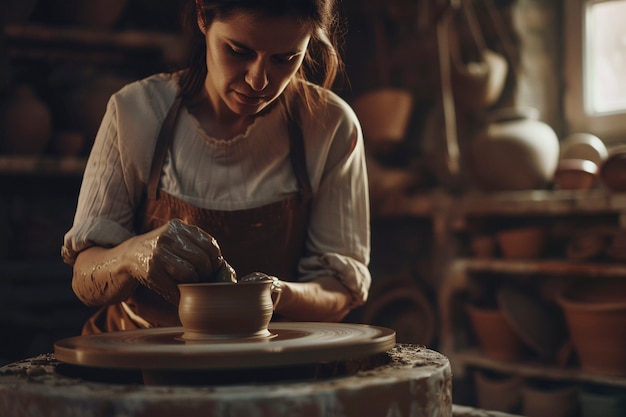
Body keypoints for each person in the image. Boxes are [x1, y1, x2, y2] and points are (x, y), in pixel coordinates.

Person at [61, 0, 371, 334]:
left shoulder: (329, 126)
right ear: (202, 18)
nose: (258, 81)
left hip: (266, 358)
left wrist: (275, 293)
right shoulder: (137, 113)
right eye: (239, 51)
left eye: (285, 59)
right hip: (137, 353)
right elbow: (84, 276)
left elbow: (341, 291)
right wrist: (130, 256)